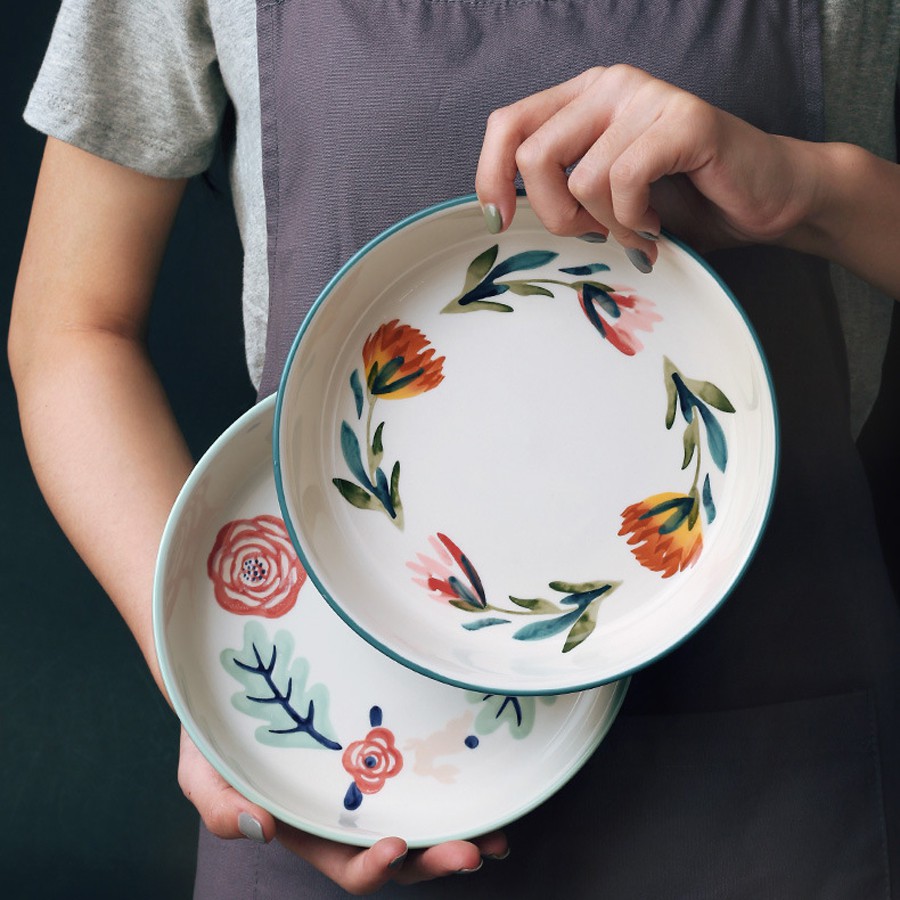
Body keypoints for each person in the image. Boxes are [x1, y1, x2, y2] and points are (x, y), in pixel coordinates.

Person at [9, 1, 900, 896]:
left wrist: (816, 192)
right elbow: (70, 329)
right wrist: (207, 674)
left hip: (771, 777)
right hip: (349, 746)